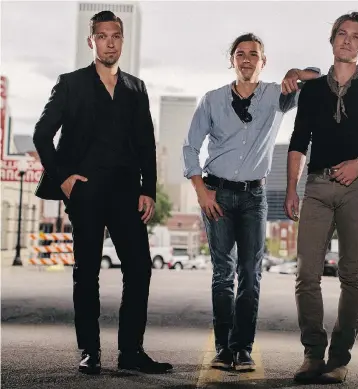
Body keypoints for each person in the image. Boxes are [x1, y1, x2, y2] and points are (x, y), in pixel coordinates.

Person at [33, 11, 173, 375]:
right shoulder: (71, 84)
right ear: (91, 41)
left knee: (140, 269)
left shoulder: (136, 88)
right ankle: (89, 352)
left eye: (116, 36)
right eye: (103, 35)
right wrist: (62, 178)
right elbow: (41, 134)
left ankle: (131, 351)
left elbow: (147, 144)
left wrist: (149, 190)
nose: (110, 42)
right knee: (86, 272)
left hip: (127, 193)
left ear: (122, 41)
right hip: (87, 192)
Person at [183, 33, 320, 371]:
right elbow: (190, 147)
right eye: (240, 54)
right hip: (217, 194)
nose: (246, 60)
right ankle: (223, 350)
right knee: (223, 274)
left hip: (254, 197)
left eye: (253, 54)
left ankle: (242, 349)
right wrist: (201, 191)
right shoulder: (212, 100)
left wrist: (297, 73)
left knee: (250, 273)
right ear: (232, 60)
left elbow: (322, 79)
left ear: (263, 61)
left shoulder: (279, 95)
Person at [285, 12, 358, 384]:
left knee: (352, 275)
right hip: (316, 187)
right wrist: (291, 188)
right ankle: (312, 355)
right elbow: (299, 141)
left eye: (357, 36)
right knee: (306, 275)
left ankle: (339, 360)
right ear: (333, 40)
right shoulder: (313, 91)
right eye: (342, 34)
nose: (348, 40)